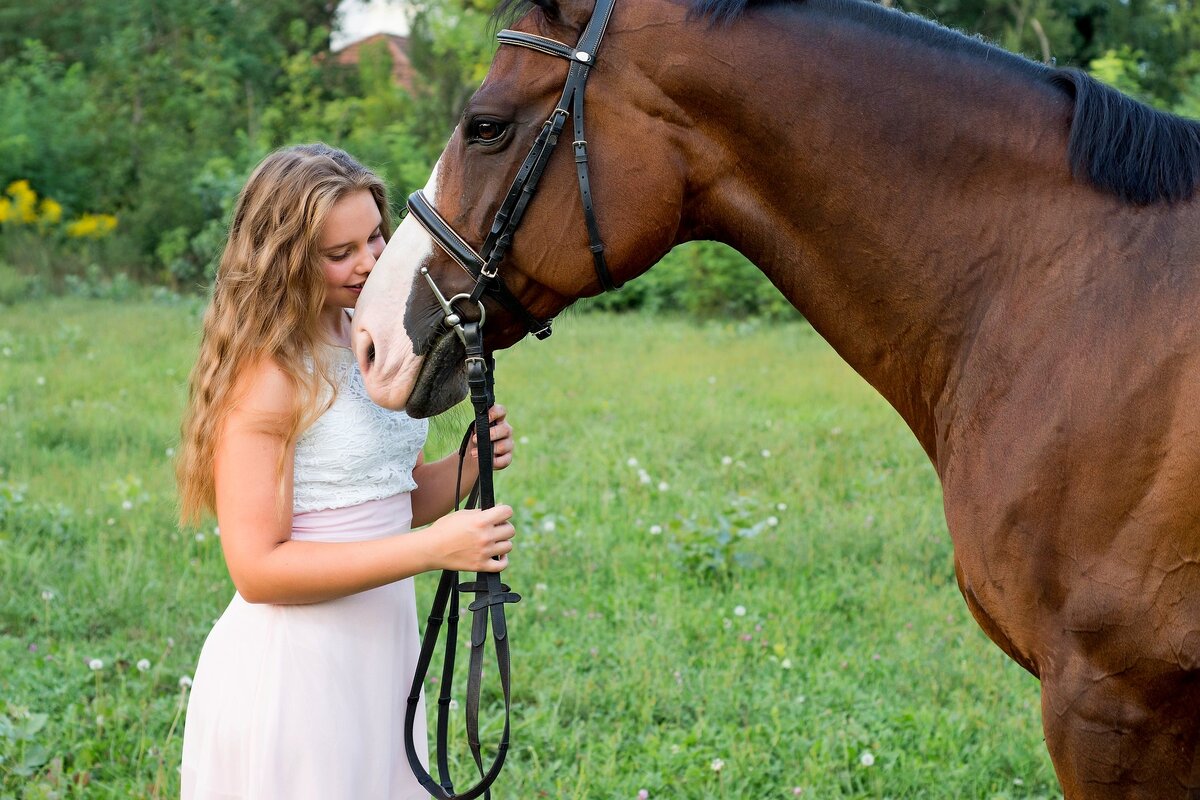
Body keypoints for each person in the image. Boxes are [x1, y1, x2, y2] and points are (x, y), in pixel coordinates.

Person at [174, 143, 516, 800]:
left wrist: (464, 467)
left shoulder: (370, 333)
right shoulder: (269, 378)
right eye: (341, 253)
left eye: (376, 236)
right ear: (286, 261)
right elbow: (258, 571)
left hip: (381, 657)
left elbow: (391, 502)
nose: (371, 261)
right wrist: (432, 551)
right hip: (300, 674)